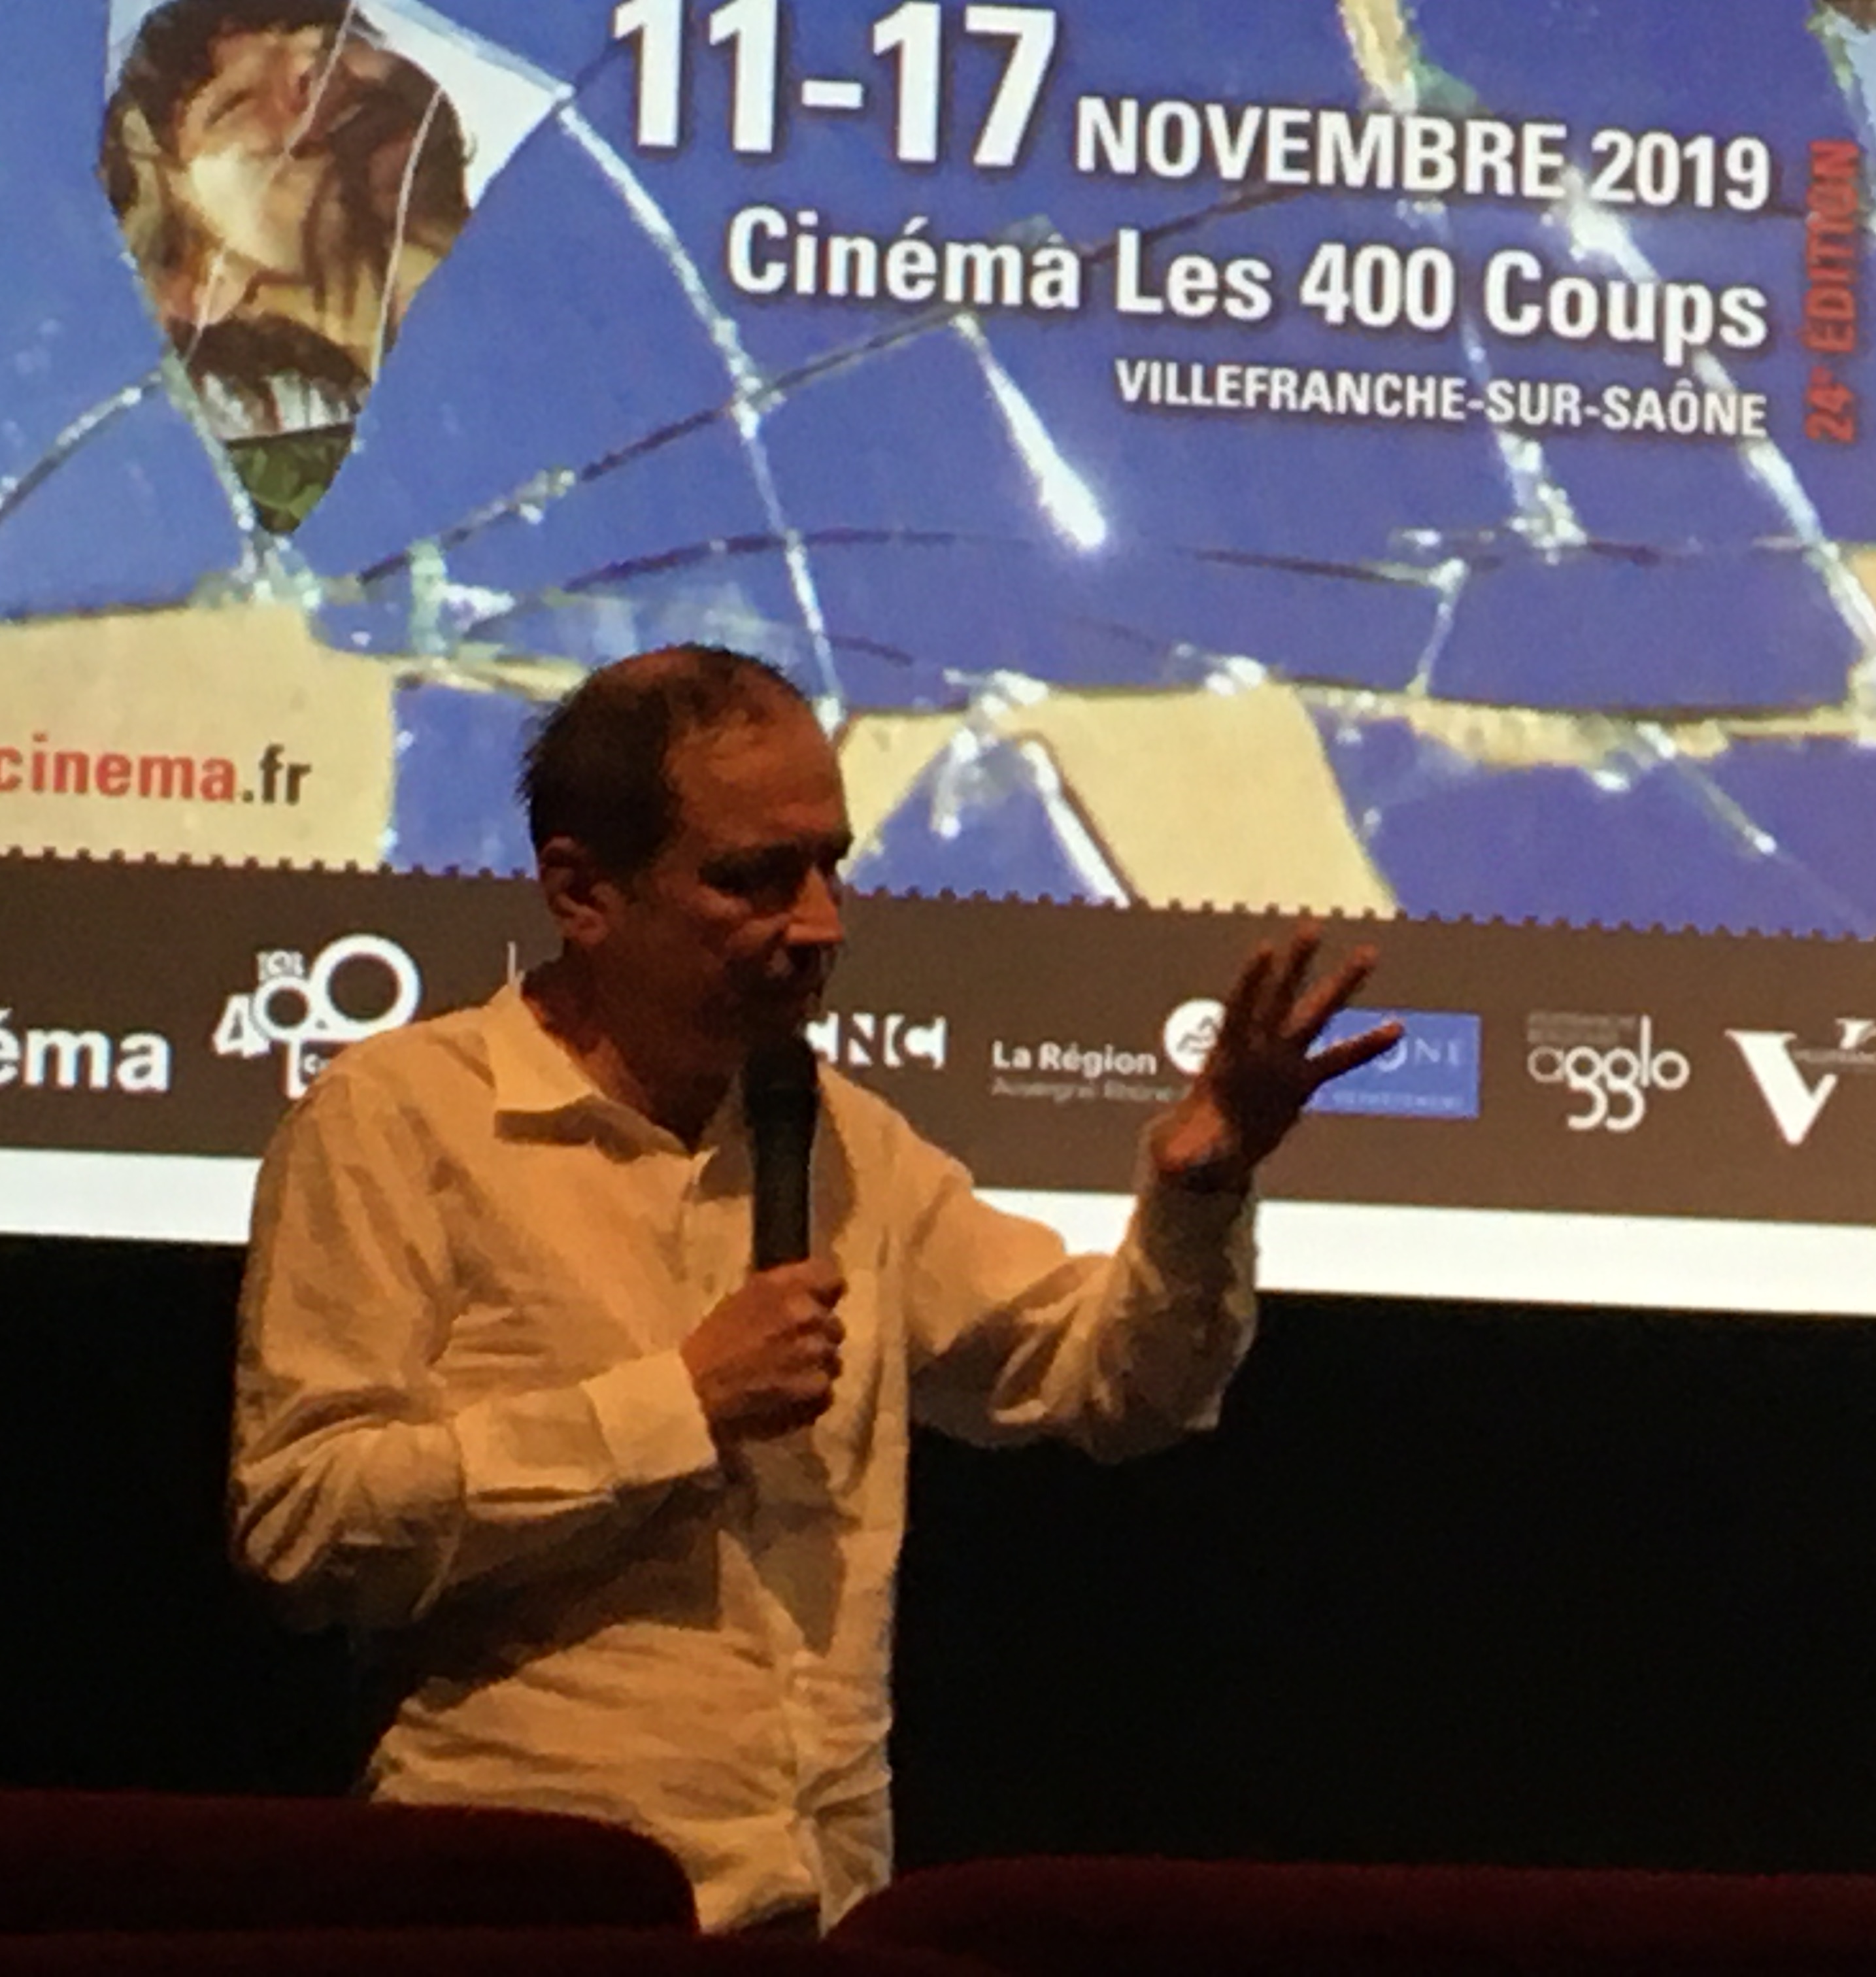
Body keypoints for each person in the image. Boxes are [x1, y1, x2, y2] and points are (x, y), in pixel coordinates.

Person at [229, 645, 1399, 1932]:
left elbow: (1115, 1390)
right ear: (582, 890)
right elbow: (304, 1523)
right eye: (754, 877)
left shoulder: (847, 1140)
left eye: (830, 865)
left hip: (820, 1910)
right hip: (524, 1909)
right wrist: (675, 1405)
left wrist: (1198, 1186)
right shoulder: (403, 1119)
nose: (820, 924)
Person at [100, 0, 472, 524]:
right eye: (234, 104)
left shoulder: (588, 263)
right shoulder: (299, 525)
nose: (313, 59)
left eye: (329, 31)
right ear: (198, 284)